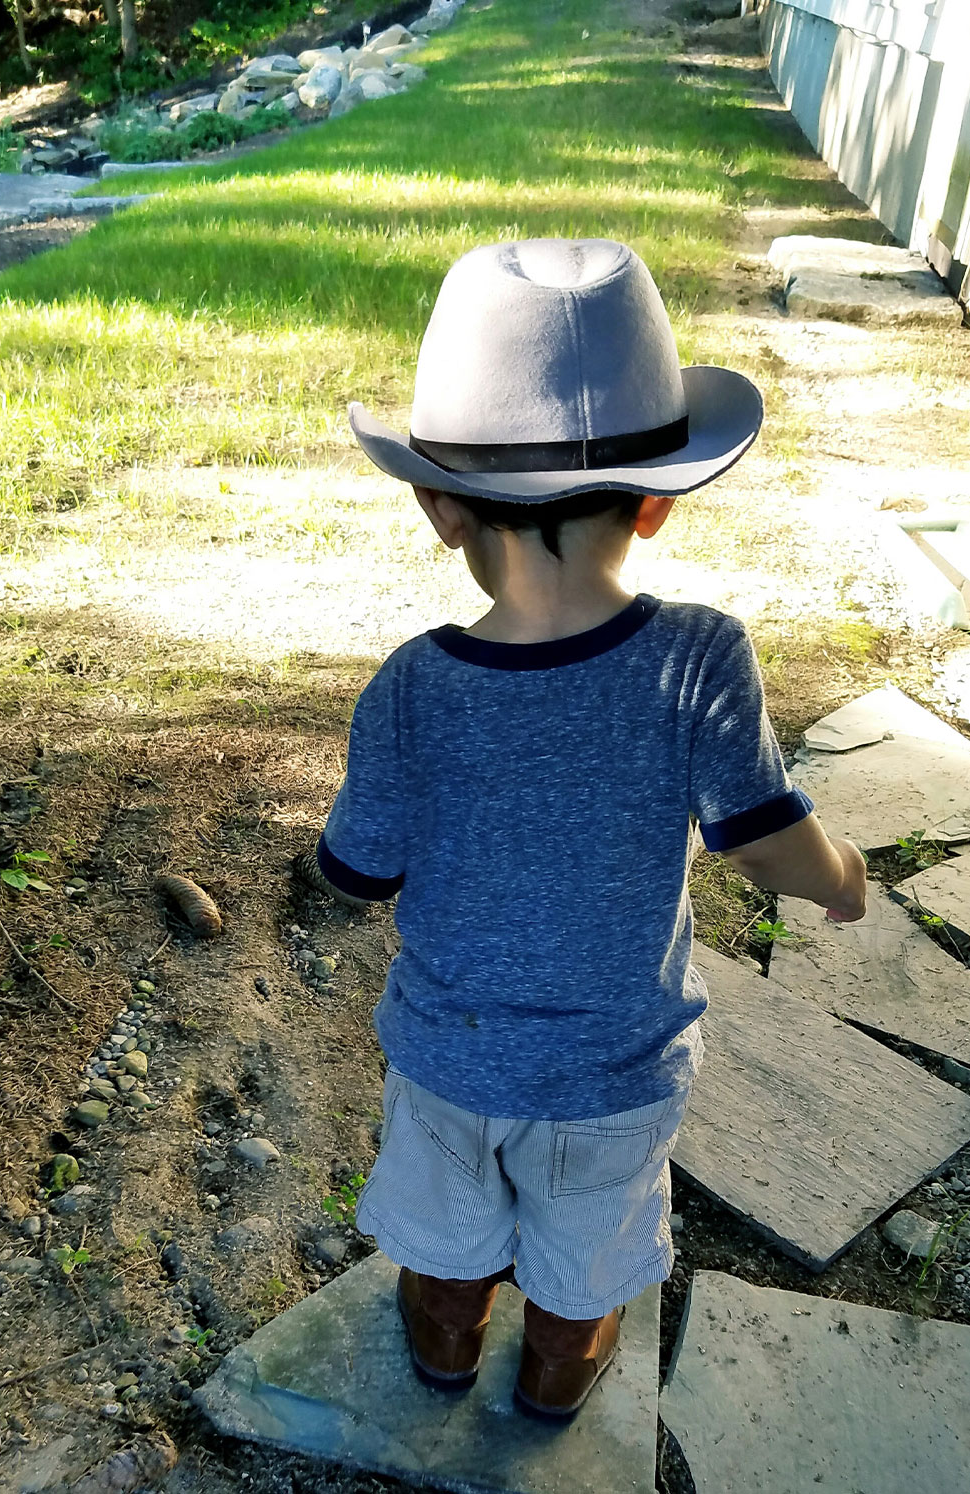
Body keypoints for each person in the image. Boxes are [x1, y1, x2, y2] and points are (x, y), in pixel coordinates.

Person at [294, 239, 867, 1420]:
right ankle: (559, 1368)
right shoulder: (699, 657)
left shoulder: (411, 684)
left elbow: (354, 871)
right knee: (590, 1243)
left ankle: (445, 1345)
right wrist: (842, 876)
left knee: (444, 1240)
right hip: (616, 1069)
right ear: (658, 503)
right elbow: (764, 843)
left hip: (449, 1056)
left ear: (437, 509)